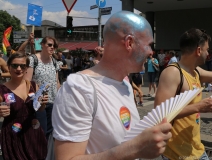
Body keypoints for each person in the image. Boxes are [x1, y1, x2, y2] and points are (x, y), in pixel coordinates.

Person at [52, 11, 172, 160]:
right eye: (148, 45)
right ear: (129, 43)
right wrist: (135, 148)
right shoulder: (78, 88)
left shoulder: (126, 84)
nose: (151, 51)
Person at [154, 28, 212, 160]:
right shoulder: (172, 73)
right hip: (177, 154)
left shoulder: (195, 71)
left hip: (196, 149)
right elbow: (160, 113)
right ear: (199, 51)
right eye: (207, 50)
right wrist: (199, 107)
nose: (208, 54)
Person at [0, 52, 48, 160]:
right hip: (13, 135)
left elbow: (40, 109)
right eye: (14, 65)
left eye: (22, 66)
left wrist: (43, 102)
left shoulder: (33, 85)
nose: (18, 68)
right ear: (8, 67)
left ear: (26, 68)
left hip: (33, 133)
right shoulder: (2, 90)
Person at [24, 36, 61, 140]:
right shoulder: (33, 59)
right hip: (38, 103)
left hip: (52, 102)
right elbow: (27, 82)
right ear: (42, 45)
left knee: (49, 132)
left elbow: (56, 81)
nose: (52, 47)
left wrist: (60, 98)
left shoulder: (54, 62)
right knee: (40, 130)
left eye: (54, 46)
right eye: (49, 44)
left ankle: (45, 153)